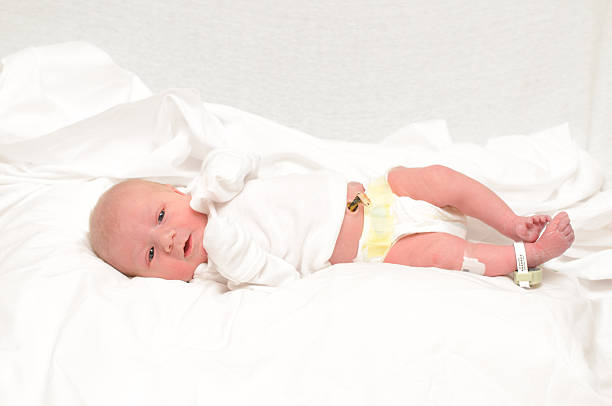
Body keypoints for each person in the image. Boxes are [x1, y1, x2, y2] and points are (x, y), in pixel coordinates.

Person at [89, 164, 574, 288]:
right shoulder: (216, 270)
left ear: (176, 193)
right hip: (374, 248)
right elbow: (275, 279)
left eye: (159, 217)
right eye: (150, 255)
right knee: (438, 255)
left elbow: (241, 161)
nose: (168, 239)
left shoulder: (214, 189)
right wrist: (227, 250)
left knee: (436, 178)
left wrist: (218, 174)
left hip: (379, 194)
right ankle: (527, 258)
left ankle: (514, 223)